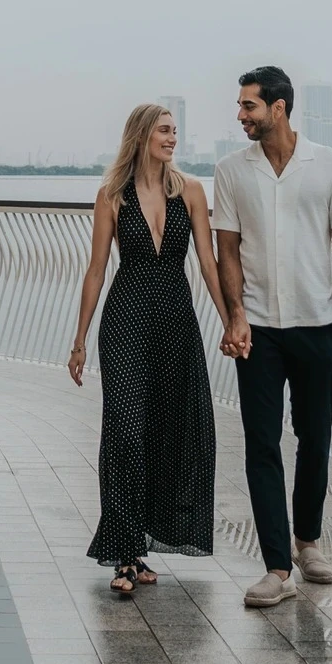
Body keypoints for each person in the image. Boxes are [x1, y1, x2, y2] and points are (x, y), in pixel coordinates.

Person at [68, 102, 232, 596]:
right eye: (164, 130)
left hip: (176, 324)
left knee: (170, 431)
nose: (172, 138)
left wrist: (231, 323)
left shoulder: (192, 192)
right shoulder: (111, 196)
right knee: (125, 433)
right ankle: (124, 553)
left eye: (175, 131)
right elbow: (96, 270)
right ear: (141, 136)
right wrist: (78, 341)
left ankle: (142, 543)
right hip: (125, 322)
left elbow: (207, 262)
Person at [215, 66, 332, 608]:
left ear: (278, 107)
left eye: (248, 105)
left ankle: (309, 541)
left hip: (317, 327)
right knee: (261, 445)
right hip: (257, 328)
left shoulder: (330, 165)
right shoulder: (232, 171)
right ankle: (277, 566)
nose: (240, 115)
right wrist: (235, 314)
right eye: (240, 105)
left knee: (316, 440)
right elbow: (226, 248)